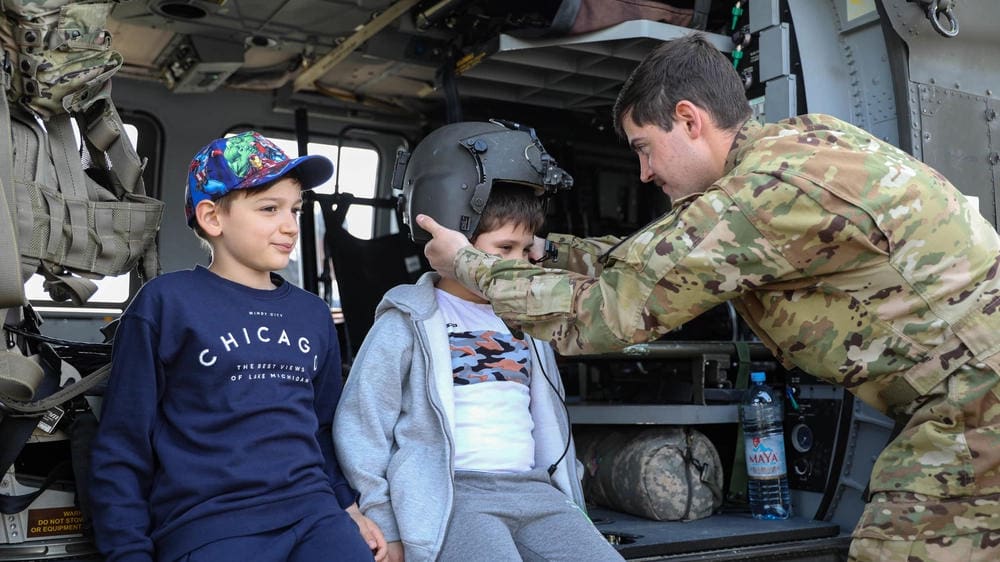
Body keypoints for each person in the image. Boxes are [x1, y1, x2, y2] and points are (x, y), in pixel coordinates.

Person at [417, 34, 1000, 562]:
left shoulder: (758, 196)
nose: (643, 172)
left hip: (975, 407)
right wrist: (543, 250)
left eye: (644, 147)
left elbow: (603, 316)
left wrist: (470, 262)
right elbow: (665, 256)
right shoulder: (802, 145)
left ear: (689, 121)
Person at [89, 131, 387, 562]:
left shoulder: (312, 313)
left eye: (295, 210)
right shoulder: (167, 303)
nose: (290, 225)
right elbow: (123, 443)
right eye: (270, 209)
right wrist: (129, 552)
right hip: (212, 522)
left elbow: (322, 427)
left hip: (314, 513)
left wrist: (349, 507)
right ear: (213, 218)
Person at [334, 121, 623, 562]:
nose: (518, 264)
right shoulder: (407, 322)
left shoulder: (529, 321)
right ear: (449, 242)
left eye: (525, 251)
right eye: (503, 248)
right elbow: (362, 427)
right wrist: (384, 521)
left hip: (536, 492)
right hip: (455, 496)